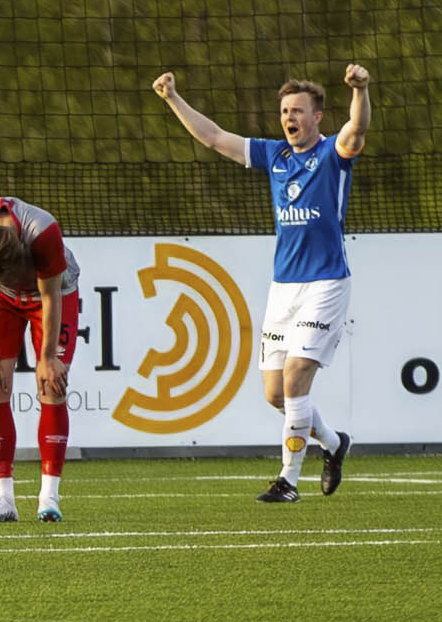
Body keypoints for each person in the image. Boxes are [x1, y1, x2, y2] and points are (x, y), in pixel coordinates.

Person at [153, 67, 369, 501]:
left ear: (317, 117)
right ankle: (333, 442)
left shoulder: (332, 153)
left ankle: (288, 480)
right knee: (275, 394)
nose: (289, 118)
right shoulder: (275, 156)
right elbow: (213, 137)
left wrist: (361, 90)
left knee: (295, 381)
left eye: (298, 111)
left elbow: (358, 126)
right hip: (283, 288)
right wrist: (172, 98)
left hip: (325, 283)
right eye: (285, 111)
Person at [0, 198, 81, 523]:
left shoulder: (43, 232)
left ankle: (49, 497)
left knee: (51, 385)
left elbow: (50, 296)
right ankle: (3, 499)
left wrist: (48, 357)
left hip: (51, 295)